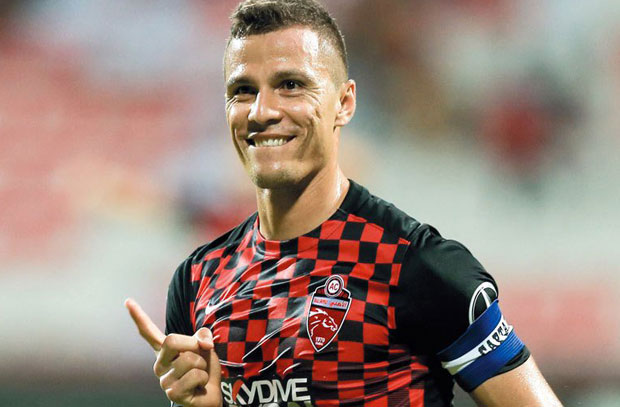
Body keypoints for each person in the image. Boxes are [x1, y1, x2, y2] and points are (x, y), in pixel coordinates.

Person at [125, 0, 563, 406]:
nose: (261, 111)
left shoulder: (419, 266)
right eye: (242, 90)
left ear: (344, 103)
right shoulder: (198, 281)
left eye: (290, 85)